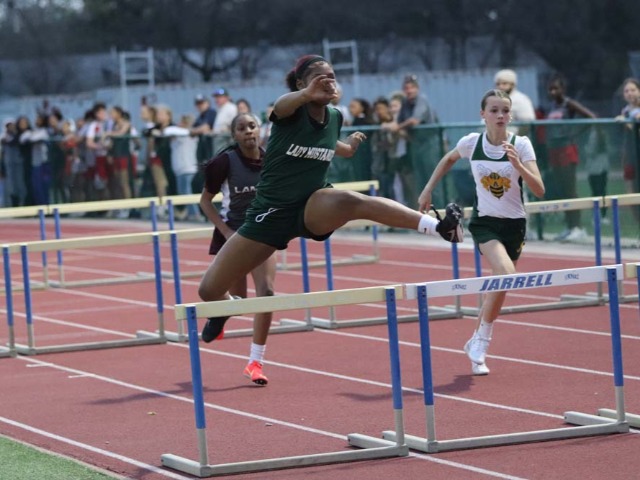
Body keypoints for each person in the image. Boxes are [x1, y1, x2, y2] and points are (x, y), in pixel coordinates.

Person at [197, 54, 463, 361]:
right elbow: (281, 105)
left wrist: (349, 148)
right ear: (301, 83)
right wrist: (305, 94)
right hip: (269, 215)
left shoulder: (335, 117)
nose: (328, 82)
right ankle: (224, 310)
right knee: (208, 291)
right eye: (319, 78)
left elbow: (329, 143)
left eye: (332, 76)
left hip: (312, 204)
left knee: (352, 201)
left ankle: (438, 227)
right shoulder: (289, 111)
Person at [418, 89, 545, 376]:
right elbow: (448, 159)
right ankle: (483, 340)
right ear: (483, 114)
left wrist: (518, 165)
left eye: (505, 111)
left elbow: (539, 189)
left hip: (515, 224)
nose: (500, 115)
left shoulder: (521, 144)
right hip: (485, 222)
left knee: (501, 284)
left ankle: (476, 342)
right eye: (494, 110)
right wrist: (428, 189)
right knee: (506, 274)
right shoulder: (472, 143)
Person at [199, 112, 274, 385]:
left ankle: (255, 362)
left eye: (252, 126)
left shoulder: (272, 160)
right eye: (242, 128)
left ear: (259, 130)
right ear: (235, 135)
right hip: (234, 235)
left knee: (267, 293)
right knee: (238, 300)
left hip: (264, 233)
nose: (248, 131)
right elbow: (205, 201)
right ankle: (221, 313)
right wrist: (227, 232)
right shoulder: (224, 163)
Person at [545, 73, 597, 242]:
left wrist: (574, 132)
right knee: (561, 190)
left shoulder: (569, 104)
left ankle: (578, 227)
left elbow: (591, 117)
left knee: (570, 189)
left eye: (556, 88)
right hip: (554, 149)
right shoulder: (552, 106)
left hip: (567, 148)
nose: (553, 92)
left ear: (563, 89)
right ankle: (569, 226)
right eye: (550, 89)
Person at [164, 114, 199, 221]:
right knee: (182, 192)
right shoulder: (176, 134)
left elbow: (188, 132)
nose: (180, 124)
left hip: (187, 167)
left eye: (183, 122)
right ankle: (189, 213)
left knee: (186, 192)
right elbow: (167, 131)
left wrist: (186, 130)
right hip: (179, 169)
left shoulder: (191, 135)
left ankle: (195, 214)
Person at [615, 77, 640, 225]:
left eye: (633, 90)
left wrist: (630, 123)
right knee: (631, 192)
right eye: (626, 91)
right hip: (630, 155)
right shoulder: (625, 111)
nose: (630, 93)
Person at [212, 88, 238, 154]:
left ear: (227, 97)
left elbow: (234, 125)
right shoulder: (220, 109)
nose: (217, 99)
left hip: (226, 139)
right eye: (216, 97)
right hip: (218, 139)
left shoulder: (231, 107)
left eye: (220, 97)